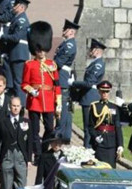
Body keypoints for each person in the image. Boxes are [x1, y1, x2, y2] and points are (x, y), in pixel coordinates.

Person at [22, 21, 62, 165]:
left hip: (49, 100)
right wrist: (31, 90)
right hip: (35, 101)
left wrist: (59, 103)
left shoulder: (52, 65)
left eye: (43, 49)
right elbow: (24, 84)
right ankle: (37, 154)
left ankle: (44, 149)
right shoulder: (29, 65)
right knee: (34, 130)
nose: (41, 52)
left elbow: (57, 85)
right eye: (38, 49)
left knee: (49, 128)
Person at [0, 0, 29, 104]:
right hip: (3, 47)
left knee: (16, 80)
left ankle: (18, 104)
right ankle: (1, 90)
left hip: (13, 50)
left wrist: (1, 35)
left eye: (15, 6)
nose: (13, 7)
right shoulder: (12, 16)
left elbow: (15, 37)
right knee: (0, 68)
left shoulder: (18, 18)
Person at [71, 38, 106, 149]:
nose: (90, 51)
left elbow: (89, 82)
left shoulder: (98, 64)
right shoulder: (95, 63)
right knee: (88, 127)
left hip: (90, 97)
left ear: (97, 50)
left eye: (92, 49)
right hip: (88, 96)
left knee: (88, 127)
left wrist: (74, 83)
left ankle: (88, 150)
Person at [0, 96, 31, 189]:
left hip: (21, 156)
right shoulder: (2, 122)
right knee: (6, 185)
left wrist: (29, 159)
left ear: (20, 107)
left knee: (22, 184)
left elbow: (29, 142)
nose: (15, 108)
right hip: (7, 156)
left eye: (18, 106)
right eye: (13, 106)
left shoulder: (26, 122)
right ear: (9, 107)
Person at [53, 19, 79, 142]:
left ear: (71, 32)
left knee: (62, 107)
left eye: (66, 29)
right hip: (62, 76)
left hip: (62, 77)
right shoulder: (66, 43)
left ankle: (60, 132)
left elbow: (59, 61)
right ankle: (65, 133)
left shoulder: (69, 45)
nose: (63, 31)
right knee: (64, 107)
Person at [88, 80, 123, 168]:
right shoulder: (95, 106)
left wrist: (120, 145)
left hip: (111, 143)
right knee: (99, 168)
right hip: (99, 142)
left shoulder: (114, 107)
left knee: (111, 168)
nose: (105, 94)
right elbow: (90, 126)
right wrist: (95, 137)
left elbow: (118, 127)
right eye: (103, 91)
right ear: (99, 92)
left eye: (107, 91)